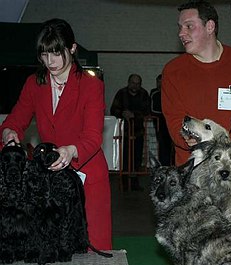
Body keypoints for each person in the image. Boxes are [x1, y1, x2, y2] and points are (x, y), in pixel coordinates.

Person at [0, 18, 112, 250]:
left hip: (86, 175)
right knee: (50, 245)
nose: (50, 62)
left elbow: (93, 136)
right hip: (47, 179)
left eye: (56, 53)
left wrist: (71, 150)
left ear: (72, 48)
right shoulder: (34, 83)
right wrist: (9, 132)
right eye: (44, 55)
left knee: (94, 246)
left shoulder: (92, 86)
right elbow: (15, 120)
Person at [162, 0, 231, 166]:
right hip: (197, 167)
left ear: (210, 27)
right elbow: (174, 120)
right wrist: (186, 136)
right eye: (180, 27)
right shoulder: (173, 71)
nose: (181, 33)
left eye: (189, 26)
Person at [110, 74, 150, 190]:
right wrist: (122, 113)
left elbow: (147, 110)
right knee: (124, 157)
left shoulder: (144, 94)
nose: (135, 86)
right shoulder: (121, 93)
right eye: (133, 83)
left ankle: (134, 182)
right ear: (128, 82)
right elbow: (114, 109)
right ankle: (124, 182)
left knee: (137, 157)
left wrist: (134, 115)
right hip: (124, 133)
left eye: (137, 84)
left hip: (138, 132)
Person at [150, 74, 173, 166]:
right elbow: (153, 109)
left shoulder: (170, 93)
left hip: (169, 122)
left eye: (161, 82)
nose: (160, 84)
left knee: (171, 146)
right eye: (158, 82)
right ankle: (164, 166)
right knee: (163, 146)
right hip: (160, 123)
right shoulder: (154, 93)